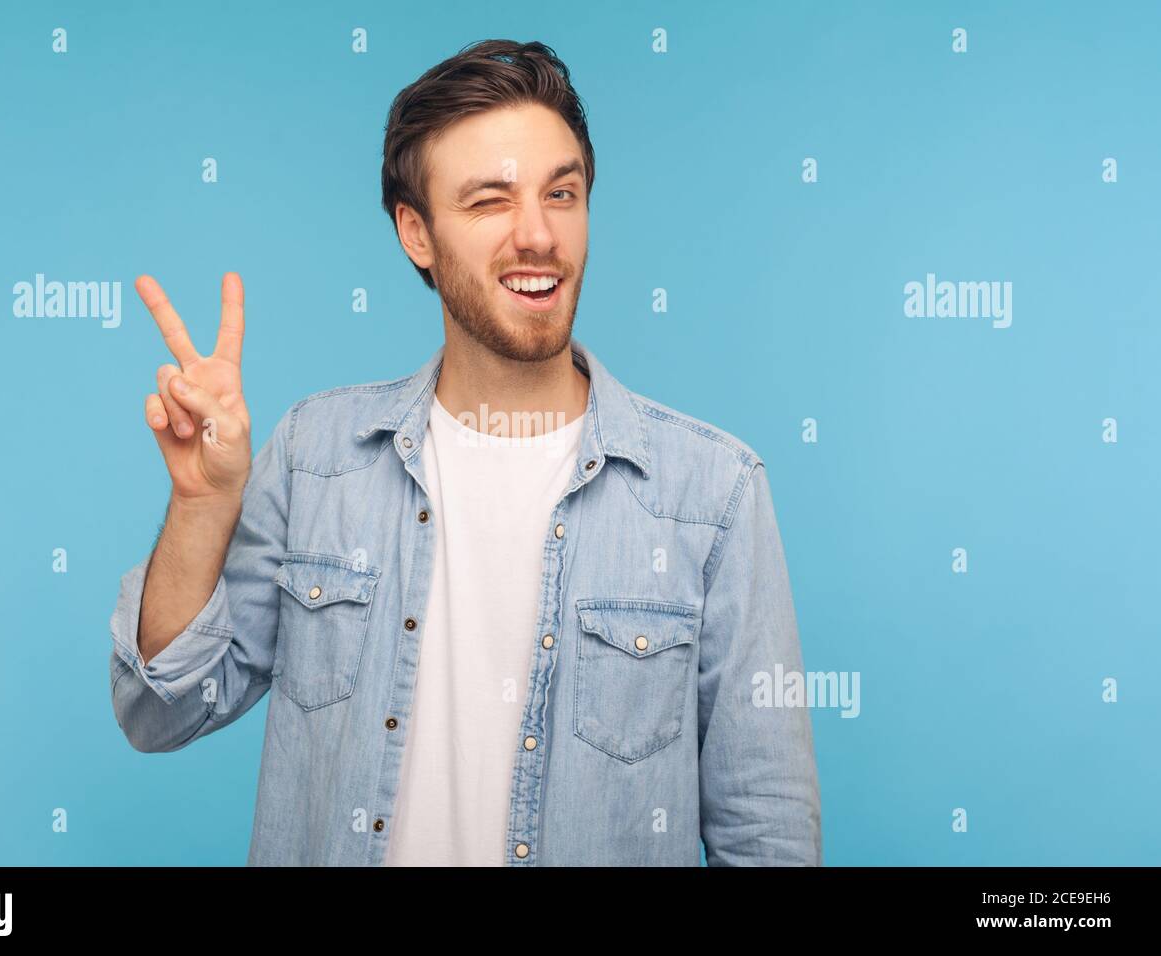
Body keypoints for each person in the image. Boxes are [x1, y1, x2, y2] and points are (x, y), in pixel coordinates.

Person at [109, 38, 821, 866]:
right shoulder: (315, 458)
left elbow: (767, 830)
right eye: (490, 201)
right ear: (417, 232)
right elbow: (156, 711)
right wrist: (202, 507)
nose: (539, 235)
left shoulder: (714, 493)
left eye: (563, 193)